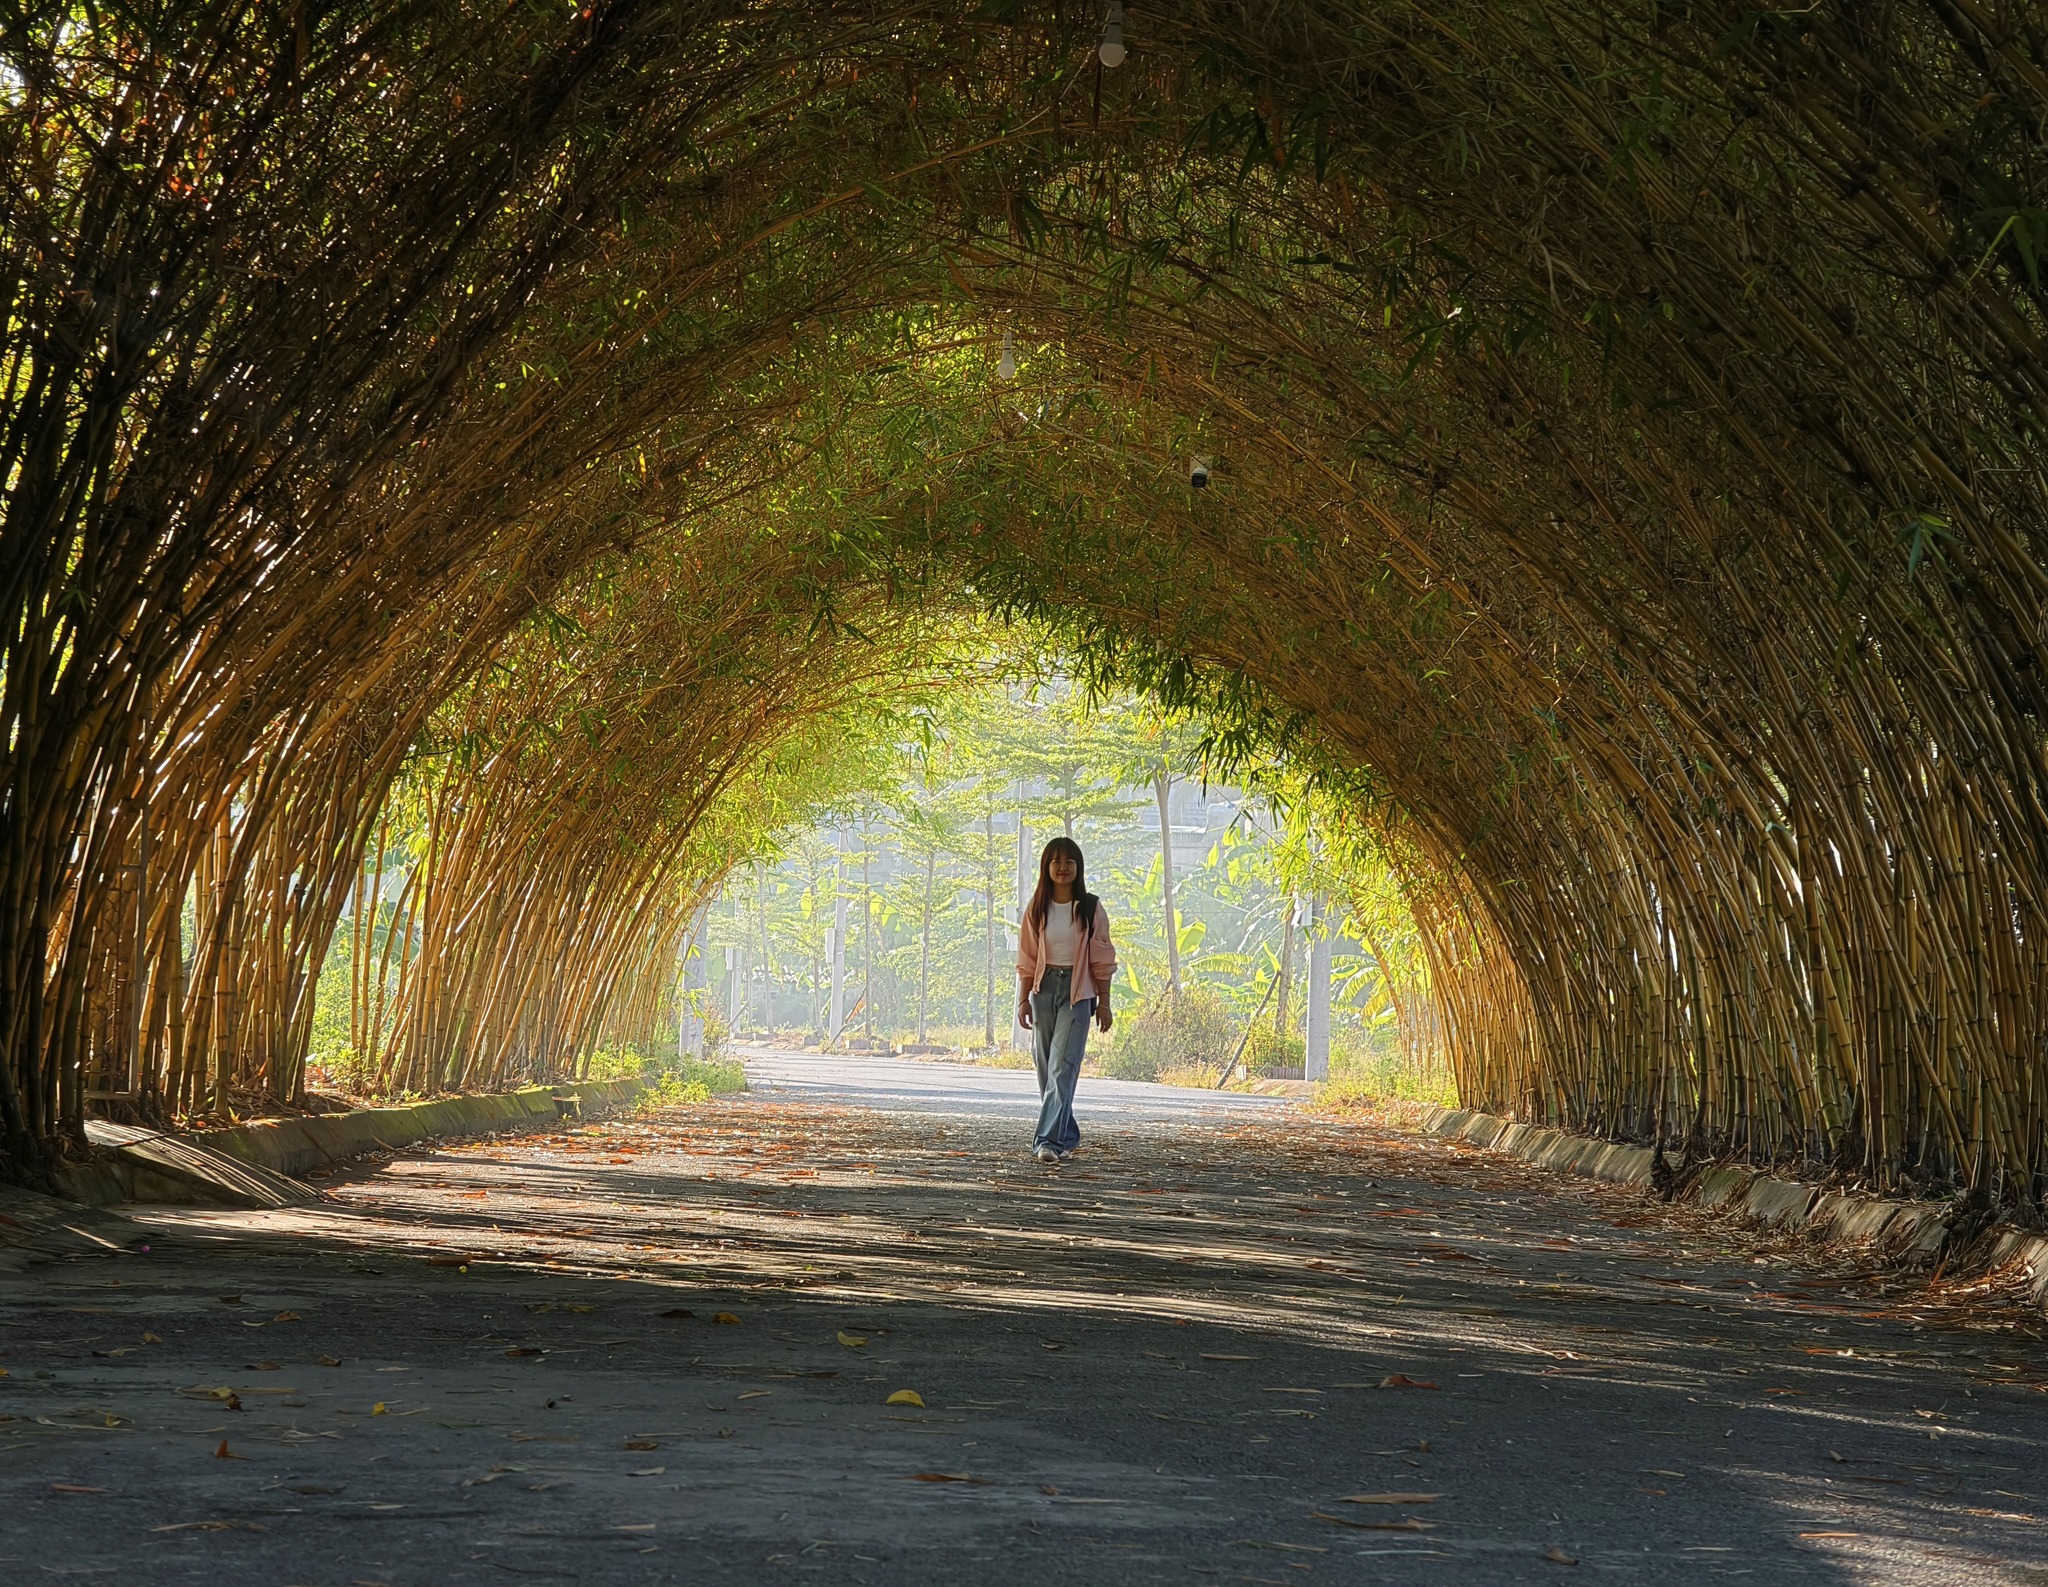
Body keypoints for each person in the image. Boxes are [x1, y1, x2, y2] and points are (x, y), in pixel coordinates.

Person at [1015, 836, 1116, 1164]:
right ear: (1046, 867)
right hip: (1043, 993)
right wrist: (1023, 1001)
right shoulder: (1037, 907)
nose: (1063, 868)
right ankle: (1067, 1133)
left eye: (1069, 861)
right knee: (1046, 1070)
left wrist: (1104, 1002)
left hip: (1079, 995)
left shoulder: (1090, 907)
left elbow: (1102, 960)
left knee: (1063, 1068)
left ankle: (1047, 1142)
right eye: (1056, 861)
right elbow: (1027, 959)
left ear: (1078, 867)